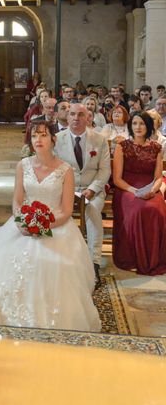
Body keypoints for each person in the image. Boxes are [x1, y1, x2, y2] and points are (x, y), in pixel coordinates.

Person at [0, 120, 101, 331]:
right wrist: (23, 222)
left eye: (42, 135)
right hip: (24, 221)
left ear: (53, 139)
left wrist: (43, 225)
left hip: (56, 225)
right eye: (34, 136)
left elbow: (67, 210)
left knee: (52, 263)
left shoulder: (65, 170)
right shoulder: (23, 165)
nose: (37, 140)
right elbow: (17, 201)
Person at [55, 104, 111, 282]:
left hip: (92, 190)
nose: (76, 118)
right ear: (67, 116)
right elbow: (54, 169)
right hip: (65, 191)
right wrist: (66, 190)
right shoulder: (57, 139)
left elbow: (104, 170)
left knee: (93, 212)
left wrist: (92, 189)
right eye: (72, 114)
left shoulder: (99, 140)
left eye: (80, 115)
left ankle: (93, 264)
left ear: (88, 118)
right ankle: (62, 260)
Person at [112, 111, 166, 275]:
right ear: (130, 126)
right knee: (138, 210)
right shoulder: (122, 147)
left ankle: (154, 258)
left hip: (150, 187)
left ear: (148, 126)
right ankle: (133, 257)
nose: (138, 127)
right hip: (127, 188)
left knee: (157, 210)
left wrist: (152, 191)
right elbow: (117, 179)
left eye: (142, 123)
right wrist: (135, 191)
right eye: (135, 123)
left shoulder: (156, 148)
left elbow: (158, 177)